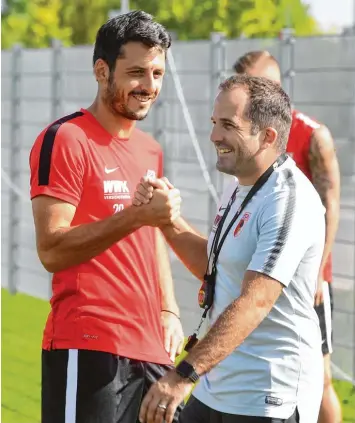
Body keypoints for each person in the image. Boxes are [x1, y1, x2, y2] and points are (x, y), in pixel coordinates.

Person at [135, 74, 325, 423]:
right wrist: (164, 219)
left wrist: (183, 375)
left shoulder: (288, 199)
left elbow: (256, 300)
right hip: (218, 386)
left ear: (267, 136)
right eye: (213, 122)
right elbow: (216, 266)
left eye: (228, 125)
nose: (214, 136)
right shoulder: (241, 184)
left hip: (269, 396)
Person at [29, 10, 185, 423]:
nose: (149, 86)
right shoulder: (65, 139)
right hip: (88, 342)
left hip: (151, 349)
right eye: (136, 72)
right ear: (102, 70)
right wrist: (135, 216)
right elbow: (51, 249)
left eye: (157, 73)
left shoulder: (150, 148)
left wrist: (169, 309)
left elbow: (152, 233)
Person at [233, 50, 342, 423]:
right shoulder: (240, 133)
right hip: (258, 275)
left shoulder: (313, 136)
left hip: (304, 281)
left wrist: (316, 273)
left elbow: (330, 206)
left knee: (320, 377)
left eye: (258, 88)